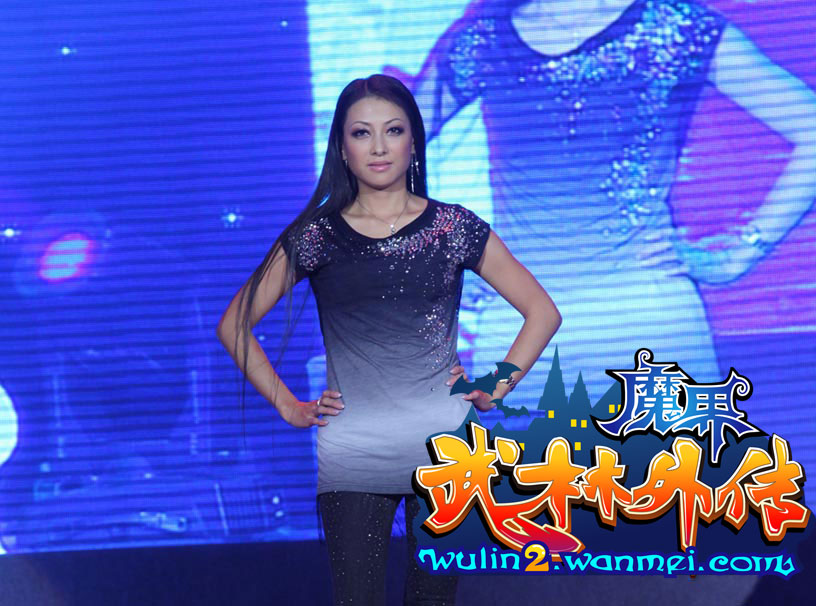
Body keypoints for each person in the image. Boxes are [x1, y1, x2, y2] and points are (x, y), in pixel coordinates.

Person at [215, 74, 561, 605]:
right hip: (354, 453)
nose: (378, 146)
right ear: (342, 148)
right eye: (362, 133)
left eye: (393, 130)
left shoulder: (454, 228)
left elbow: (542, 311)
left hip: (446, 453)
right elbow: (233, 324)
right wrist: (287, 405)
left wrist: (497, 384)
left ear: (413, 141)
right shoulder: (317, 236)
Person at [389, 0, 816, 409]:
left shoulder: (674, 27)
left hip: (646, 318)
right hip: (519, 326)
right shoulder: (484, 39)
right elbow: (384, 157)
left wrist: (740, 253)